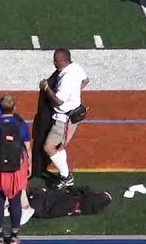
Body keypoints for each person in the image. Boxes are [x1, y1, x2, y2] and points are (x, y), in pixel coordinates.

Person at [0, 95, 33, 244]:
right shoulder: (21, 125)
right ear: (14, 108)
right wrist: (29, 165)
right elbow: (27, 148)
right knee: (15, 201)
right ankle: (14, 236)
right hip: (17, 168)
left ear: (0, 108)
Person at [39, 48, 88, 188]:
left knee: (49, 147)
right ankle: (65, 174)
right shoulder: (76, 67)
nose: (54, 63)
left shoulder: (66, 78)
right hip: (71, 114)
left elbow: (59, 100)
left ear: (64, 60)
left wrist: (46, 88)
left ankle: (66, 176)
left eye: (56, 60)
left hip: (64, 119)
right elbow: (85, 80)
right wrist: (75, 92)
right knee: (59, 146)